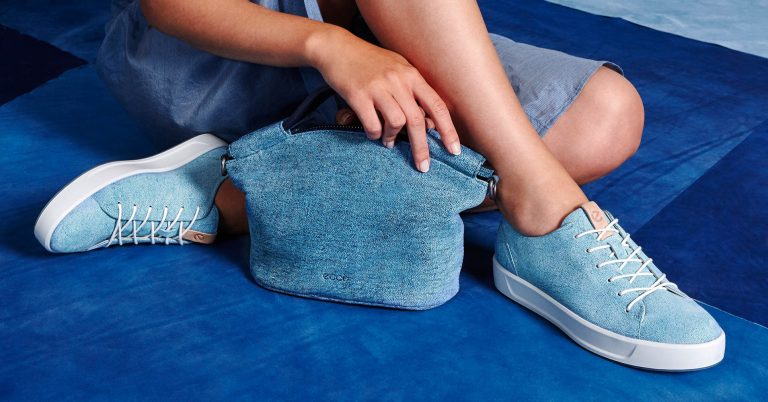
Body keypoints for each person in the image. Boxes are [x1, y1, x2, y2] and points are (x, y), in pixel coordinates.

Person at [34, 0, 725, 370]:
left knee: (605, 117)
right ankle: (545, 209)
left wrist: (376, 45)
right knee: (532, 148)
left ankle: (237, 193)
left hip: (389, 40)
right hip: (218, 58)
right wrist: (331, 47)